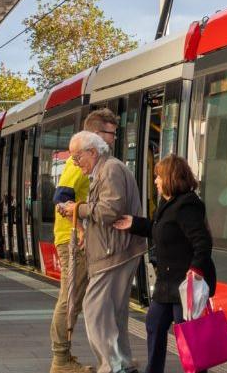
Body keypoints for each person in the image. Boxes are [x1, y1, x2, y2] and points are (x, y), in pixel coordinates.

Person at [112, 154, 215, 373]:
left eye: (158, 176)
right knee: (154, 325)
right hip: (167, 282)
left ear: (170, 178)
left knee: (188, 336)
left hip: (185, 283)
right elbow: (160, 229)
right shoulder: (167, 203)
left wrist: (196, 269)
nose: (156, 181)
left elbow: (202, 241)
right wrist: (135, 224)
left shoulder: (188, 205)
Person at [59, 130, 144, 373]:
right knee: (113, 313)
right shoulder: (106, 170)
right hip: (115, 250)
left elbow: (109, 210)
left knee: (95, 310)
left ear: (92, 152)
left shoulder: (110, 170)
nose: (76, 163)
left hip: (114, 252)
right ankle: (122, 363)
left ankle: (112, 365)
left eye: (77, 157)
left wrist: (78, 208)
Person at [49, 108, 121, 373]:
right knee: (70, 298)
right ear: (95, 134)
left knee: (81, 298)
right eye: (110, 133)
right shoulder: (76, 163)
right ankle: (61, 360)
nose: (113, 139)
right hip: (71, 240)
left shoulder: (96, 162)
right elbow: (60, 198)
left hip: (79, 238)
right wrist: (79, 228)